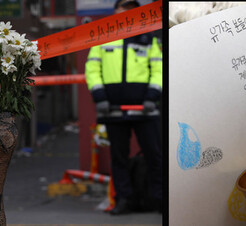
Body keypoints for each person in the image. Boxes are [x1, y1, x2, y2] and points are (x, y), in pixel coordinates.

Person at [84, 0, 163, 215]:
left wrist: (152, 95)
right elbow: (92, 67)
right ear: (115, 12)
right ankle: (124, 199)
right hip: (113, 109)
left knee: (155, 155)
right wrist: (99, 97)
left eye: (129, 11)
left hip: (145, 109)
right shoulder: (103, 36)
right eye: (121, 10)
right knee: (119, 157)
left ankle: (159, 200)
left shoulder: (147, 38)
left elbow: (158, 67)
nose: (124, 14)